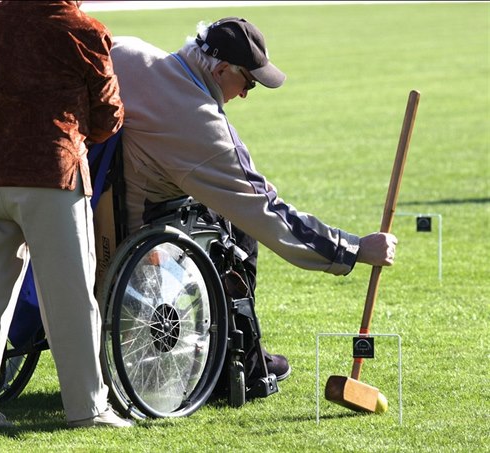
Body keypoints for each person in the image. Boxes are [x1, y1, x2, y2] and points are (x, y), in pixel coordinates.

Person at [109, 17, 398, 389]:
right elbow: (267, 210)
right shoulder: (202, 125)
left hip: (83, 211)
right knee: (241, 229)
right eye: (247, 83)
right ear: (221, 68)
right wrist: (354, 248)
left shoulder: (127, 51)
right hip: (136, 234)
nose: (245, 94)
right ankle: (240, 362)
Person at [0, 1, 132, 434]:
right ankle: (87, 407)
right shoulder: (82, 29)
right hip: (52, 174)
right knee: (68, 299)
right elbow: (109, 116)